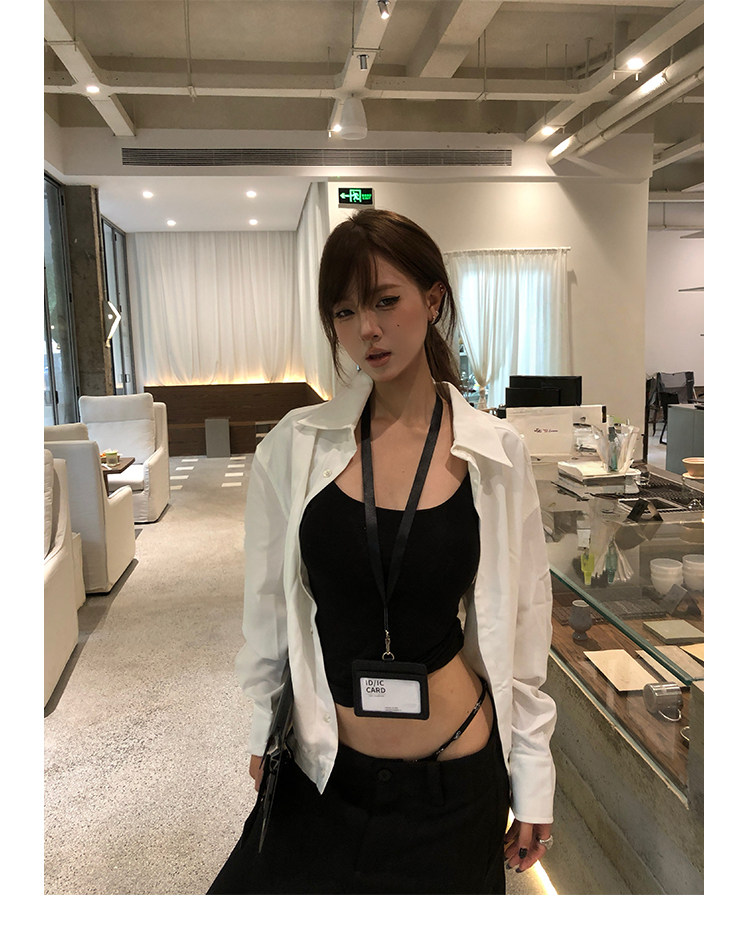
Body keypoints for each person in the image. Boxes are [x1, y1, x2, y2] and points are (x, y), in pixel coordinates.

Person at [208, 209, 556, 895]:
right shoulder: (294, 446)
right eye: (344, 312)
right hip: (321, 771)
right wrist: (261, 731)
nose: (366, 328)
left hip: (455, 785)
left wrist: (534, 775)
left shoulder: (495, 453)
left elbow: (523, 624)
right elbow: (269, 610)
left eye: (385, 301)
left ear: (433, 300)